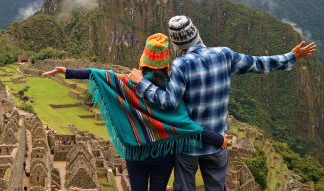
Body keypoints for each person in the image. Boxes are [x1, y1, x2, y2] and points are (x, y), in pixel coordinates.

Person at [128, 16, 317, 191]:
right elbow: (258, 64)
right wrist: (291, 57)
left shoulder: (181, 65)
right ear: (197, 34)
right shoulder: (224, 54)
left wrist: (142, 83)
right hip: (217, 142)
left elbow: (169, 102)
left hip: (188, 146)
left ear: (176, 44)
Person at [43, 33, 225, 191]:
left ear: (144, 59)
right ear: (166, 64)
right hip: (163, 152)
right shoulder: (171, 89)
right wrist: (217, 139)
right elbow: (186, 125)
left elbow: (101, 75)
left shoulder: (127, 84)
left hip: (135, 152)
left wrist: (67, 71)